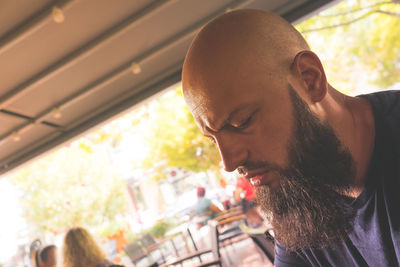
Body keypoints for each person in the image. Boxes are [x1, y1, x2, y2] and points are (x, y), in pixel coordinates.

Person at [181, 8, 400, 266]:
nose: (229, 162)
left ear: (310, 81)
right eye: (213, 138)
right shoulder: (304, 198)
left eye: (243, 121)